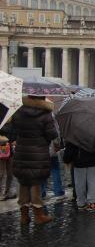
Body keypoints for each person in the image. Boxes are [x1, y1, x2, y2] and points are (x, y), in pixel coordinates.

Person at [12, 95, 58, 225]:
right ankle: (39, 215)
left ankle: (24, 215)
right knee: (35, 183)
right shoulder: (45, 114)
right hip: (38, 152)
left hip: (22, 151)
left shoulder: (19, 111)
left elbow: (14, 127)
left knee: (23, 182)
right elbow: (52, 134)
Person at [62, 142, 95, 210]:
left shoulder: (74, 134)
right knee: (92, 181)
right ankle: (92, 202)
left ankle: (81, 203)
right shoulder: (93, 132)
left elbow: (70, 148)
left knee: (80, 183)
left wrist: (66, 159)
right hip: (92, 159)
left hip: (79, 160)